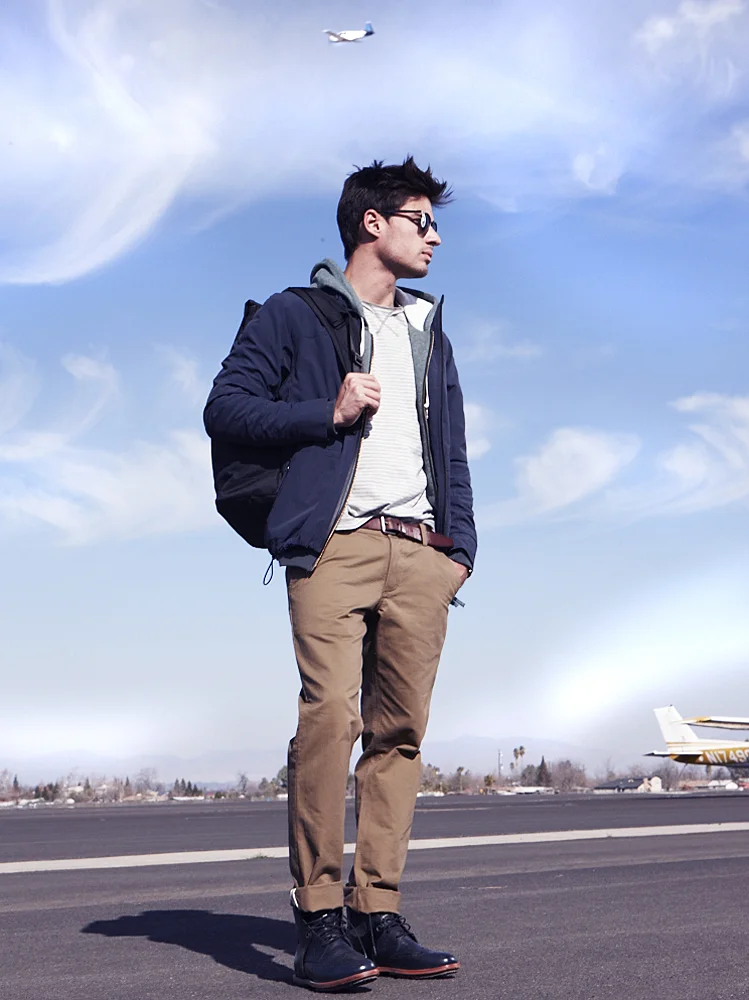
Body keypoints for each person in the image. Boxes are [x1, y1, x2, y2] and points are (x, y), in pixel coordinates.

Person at [204, 156, 477, 992]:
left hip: (420, 552)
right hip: (335, 544)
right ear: (373, 224)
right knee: (331, 718)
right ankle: (319, 919)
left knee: (399, 735)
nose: (434, 236)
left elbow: (452, 450)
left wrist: (456, 550)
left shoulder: (429, 331)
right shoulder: (295, 315)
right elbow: (225, 406)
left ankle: (377, 914)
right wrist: (325, 412)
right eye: (421, 220)